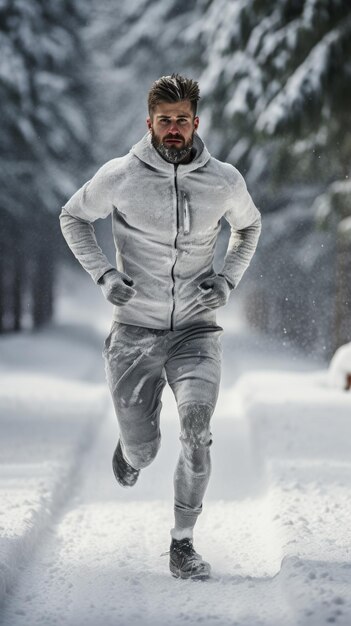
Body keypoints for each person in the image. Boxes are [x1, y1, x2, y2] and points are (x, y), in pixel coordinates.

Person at [59, 73, 261, 580]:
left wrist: (228, 278)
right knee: (144, 451)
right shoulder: (120, 175)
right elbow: (72, 217)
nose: (174, 129)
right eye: (165, 120)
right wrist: (104, 274)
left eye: (182, 120)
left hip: (197, 331)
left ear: (197, 122)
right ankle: (131, 451)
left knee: (197, 431)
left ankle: (182, 543)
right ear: (149, 122)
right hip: (133, 334)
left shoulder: (225, 180)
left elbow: (249, 225)